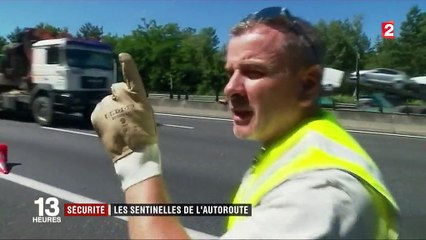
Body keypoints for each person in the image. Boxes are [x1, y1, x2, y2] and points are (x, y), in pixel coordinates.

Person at [91, 6, 399, 239]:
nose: (230, 89)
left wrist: (136, 160)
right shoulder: (303, 145)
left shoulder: (322, 194)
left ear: (307, 85)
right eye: (230, 72)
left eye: (253, 72)